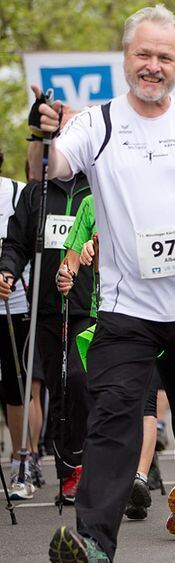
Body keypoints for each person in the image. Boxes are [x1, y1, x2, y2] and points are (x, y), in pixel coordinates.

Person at [30, 5, 175, 563]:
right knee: (112, 417)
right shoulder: (98, 123)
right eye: (143, 55)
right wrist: (44, 129)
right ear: (125, 58)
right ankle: (95, 548)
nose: (152, 66)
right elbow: (52, 167)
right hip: (127, 308)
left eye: (164, 57)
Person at [0, 156, 93, 509]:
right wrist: (7, 271)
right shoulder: (36, 193)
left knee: (84, 380)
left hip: (95, 305)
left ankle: (104, 463)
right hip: (50, 308)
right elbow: (17, 245)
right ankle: (71, 470)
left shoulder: (98, 184)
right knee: (62, 387)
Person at [0, 156, 41, 500]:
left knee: (16, 388)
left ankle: (20, 464)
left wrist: (9, 275)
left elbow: (21, 246)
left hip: (13, 306)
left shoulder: (16, 192)